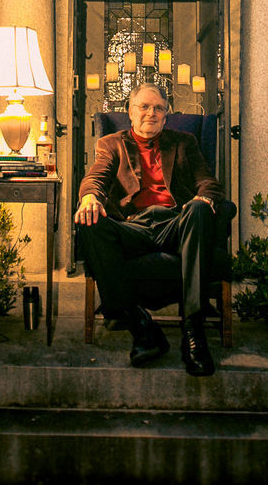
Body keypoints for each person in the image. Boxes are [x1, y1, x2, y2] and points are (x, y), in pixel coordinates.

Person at [74, 82, 228, 377]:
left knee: (198, 208)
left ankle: (193, 334)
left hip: (176, 223)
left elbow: (207, 180)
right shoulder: (111, 143)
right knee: (89, 222)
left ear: (166, 115)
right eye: (144, 106)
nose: (151, 113)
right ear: (130, 112)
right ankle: (142, 327)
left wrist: (204, 197)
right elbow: (96, 176)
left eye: (158, 108)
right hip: (134, 227)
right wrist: (91, 197)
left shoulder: (184, 143)